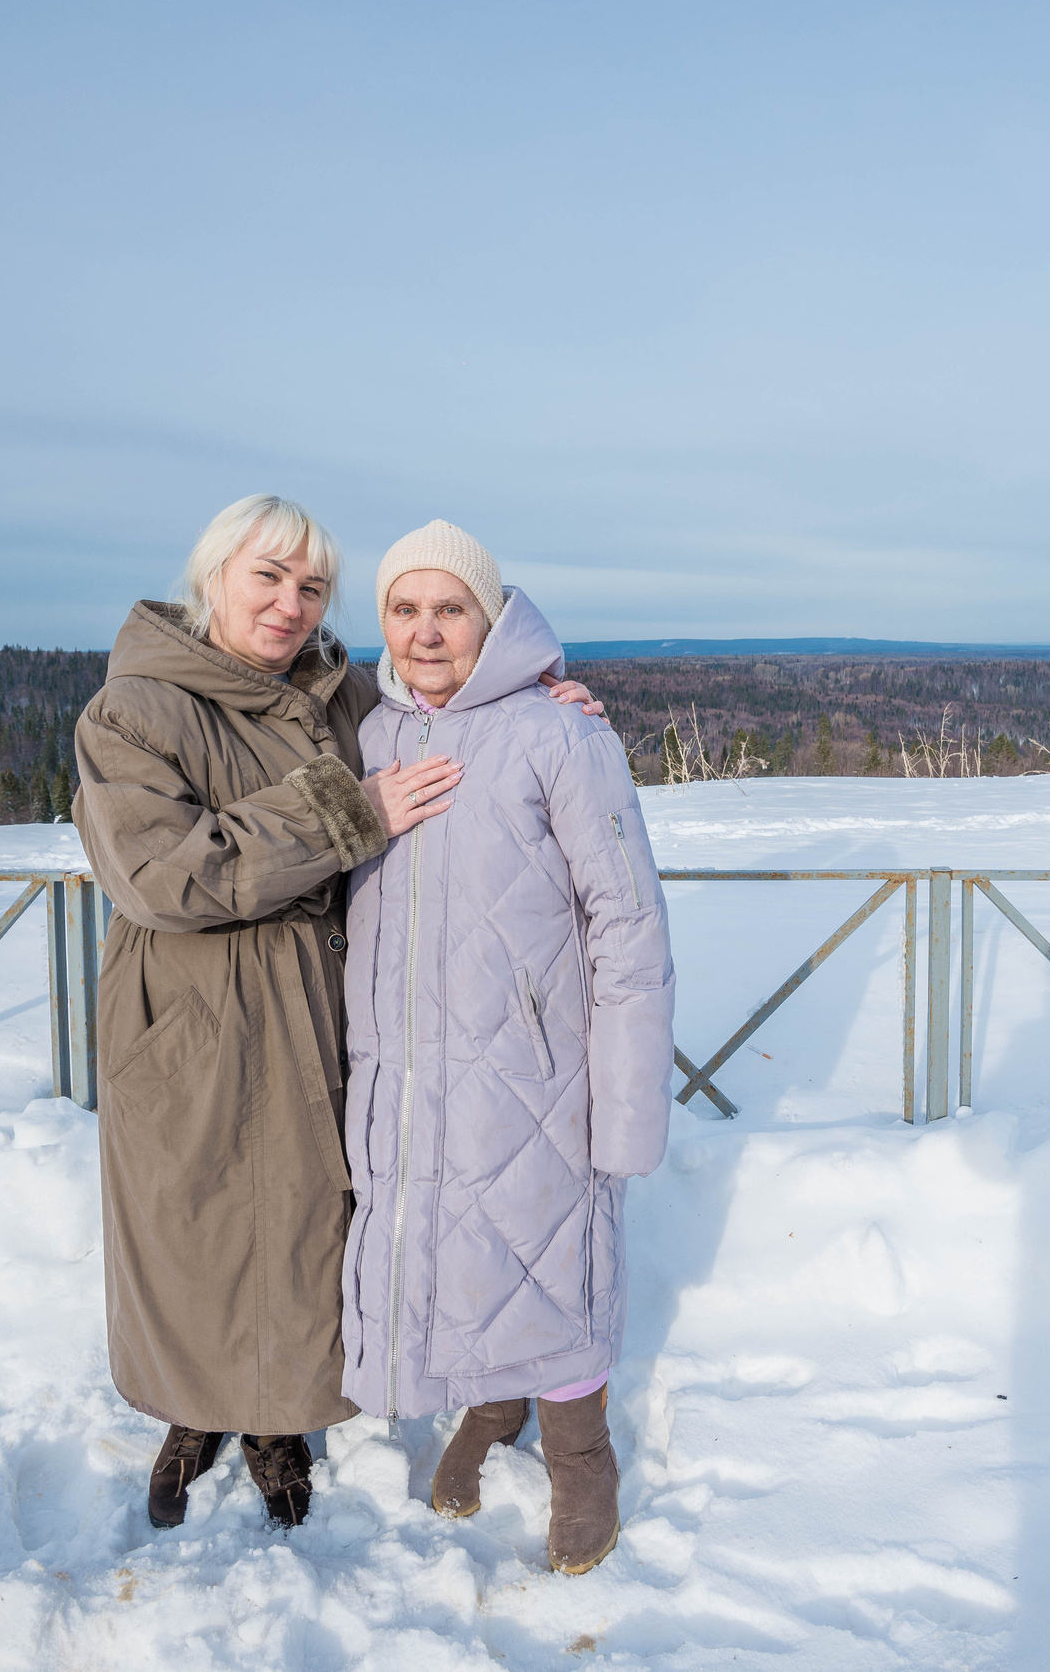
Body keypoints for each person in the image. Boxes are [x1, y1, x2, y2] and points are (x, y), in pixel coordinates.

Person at [71, 495, 603, 1532]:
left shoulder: (337, 691)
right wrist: (344, 812)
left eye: (310, 587)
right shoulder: (133, 708)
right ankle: (194, 1405)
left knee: (306, 1211)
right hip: (189, 1006)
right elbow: (158, 873)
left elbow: (447, 705)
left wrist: (540, 693)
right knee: (193, 1214)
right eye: (266, 577)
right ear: (213, 574)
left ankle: (275, 1415)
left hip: (315, 993)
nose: (288, 604)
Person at [340, 520, 674, 1576]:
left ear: (491, 618)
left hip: (537, 1067)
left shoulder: (561, 735)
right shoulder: (368, 735)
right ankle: (491, 1399)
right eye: (405, 608)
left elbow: (626, 923)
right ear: (382, 622)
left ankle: (583, 1458)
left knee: (551, 1259)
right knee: (453, 1244)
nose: (427, 630)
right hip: (401, 1064)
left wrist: (623, 1105)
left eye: (451, 608)